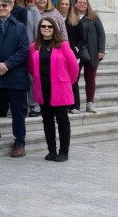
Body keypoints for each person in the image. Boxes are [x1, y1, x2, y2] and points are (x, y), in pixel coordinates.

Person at [0, 0, 30, 157]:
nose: (1, 8)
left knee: (17, 109)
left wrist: (7, 64)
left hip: (15, 73)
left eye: (4, 5)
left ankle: (19, 142)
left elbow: (24, 50)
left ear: (11, 6)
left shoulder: (20, 27)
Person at [29, 16, 80, 162]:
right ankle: (51, 150)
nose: (46, 28)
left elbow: (74, 67)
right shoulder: (34, 46)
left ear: (54, 29)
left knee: (62, 120)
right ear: (39, 29)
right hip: (43, 88)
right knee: (47, 120)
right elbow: (31, 68)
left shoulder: (63, 44)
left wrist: (67, 82)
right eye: (43, 26)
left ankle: (64, 151)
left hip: (60, 89)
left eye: (49, 26)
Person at [75, 0, 106, 113]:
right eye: (80, 2)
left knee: (90, 79)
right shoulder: (72, 17)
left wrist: (101, 50)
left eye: (85, 3)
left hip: (92, 52)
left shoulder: (94, 17)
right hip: (77, 53)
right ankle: (74, 104)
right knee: (74, 78)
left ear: (88, 5)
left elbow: (101, 34)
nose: (82, 4)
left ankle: (90, 103)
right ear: (76, 4)